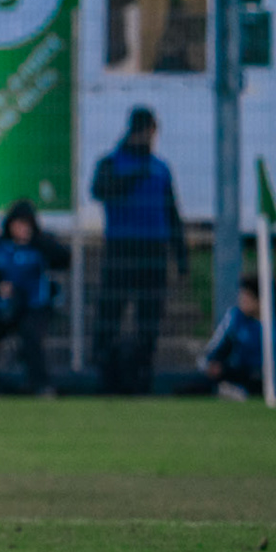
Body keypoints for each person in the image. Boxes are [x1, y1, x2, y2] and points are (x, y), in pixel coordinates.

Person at [91, 106, 188, 394]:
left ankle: (142, 375)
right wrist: (134, 177)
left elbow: (172, 213)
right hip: (121, 248)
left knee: (149, 317)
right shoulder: (111, 163)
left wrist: (180, 256)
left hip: (153, 251)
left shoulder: (161, 168)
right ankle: (104, 375)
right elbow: (100, 190)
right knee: (110, 313)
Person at [0, 200, 71, 395]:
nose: (21, 229)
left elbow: (64, 259)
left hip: (36, 306)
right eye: (18, 224)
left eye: (26, 224)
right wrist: (0, 288)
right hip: (7, 307)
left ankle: (41, 385)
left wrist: (38, 240)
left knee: (31, 335)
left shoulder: (41, 246)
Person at [201, 275, 276, 400]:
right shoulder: (234, 318)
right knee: (216, 370)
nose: (241, 300)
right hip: (244, 372)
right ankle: (235, 390)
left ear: (261, 299)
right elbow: (213, 349)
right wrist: (211, 363)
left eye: (246, 296)